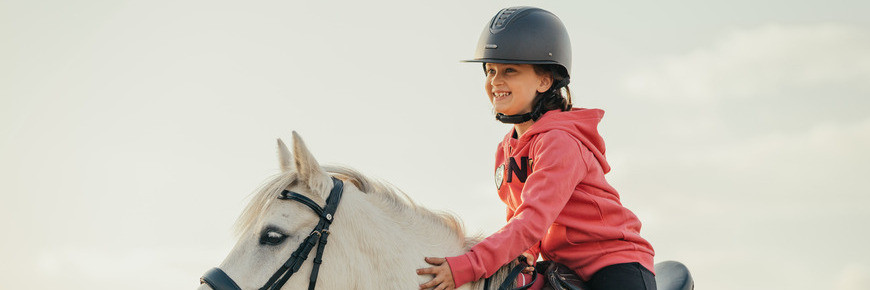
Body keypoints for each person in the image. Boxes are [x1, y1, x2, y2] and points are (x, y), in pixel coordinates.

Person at [415, 6, 656, 290]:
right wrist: (526, 253)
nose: (495, 82)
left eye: (510, 70)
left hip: (614, 265)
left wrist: (466, 266)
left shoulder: (559, 142)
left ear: (544, 80)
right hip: (564, 265)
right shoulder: (506, 149)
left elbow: (531, 221)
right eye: (490, 71)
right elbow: (518, 217)